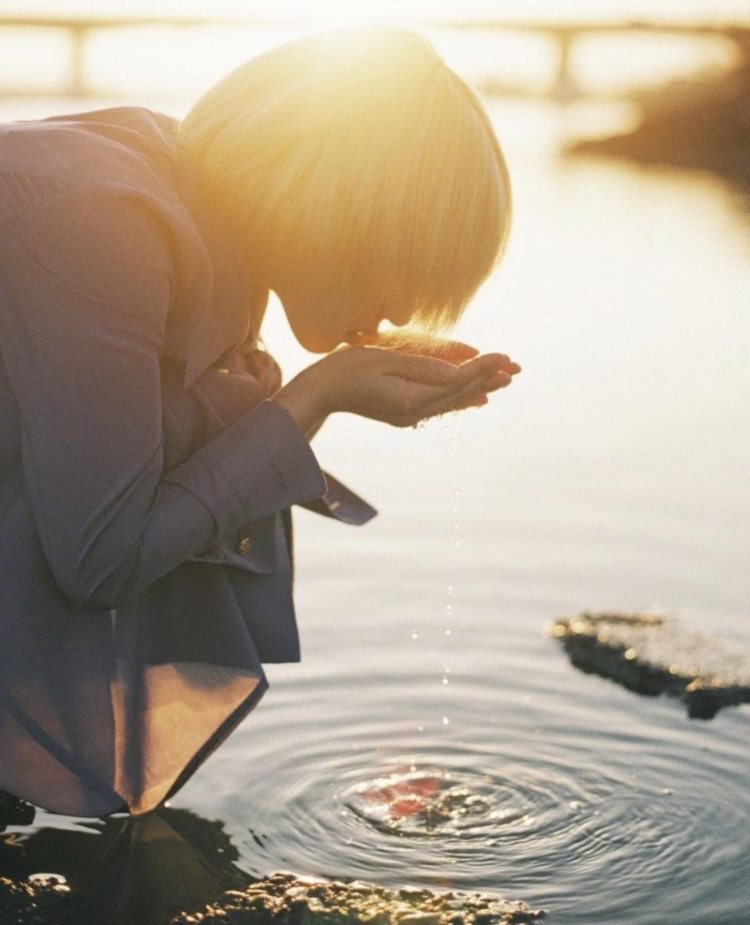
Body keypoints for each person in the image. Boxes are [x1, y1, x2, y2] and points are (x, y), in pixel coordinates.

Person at [0, 25, 518, 819]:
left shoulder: (202, 213)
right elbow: (100, 559)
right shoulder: (111, 224)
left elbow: (149, 440)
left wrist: (306, 390)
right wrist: (313, 398)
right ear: (335, 203)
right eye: (405, 258)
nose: (409, 308)